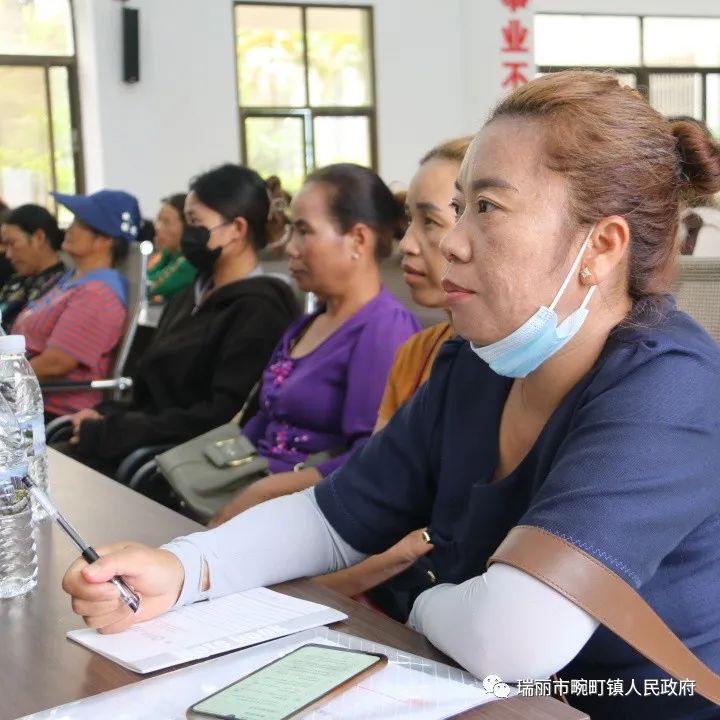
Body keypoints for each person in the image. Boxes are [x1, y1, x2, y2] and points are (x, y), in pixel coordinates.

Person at [62, 72, 720, 719]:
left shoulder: (671, 389)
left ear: (600, 247)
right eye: (457, 210)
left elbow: (512, 638)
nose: (451, 243)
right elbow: (330, 518)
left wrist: (426, 603)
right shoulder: (476, 363)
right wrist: (183, 571)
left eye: (486, 208)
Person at [206, 163, 420, 526]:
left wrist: (264, 492)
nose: (290, 247)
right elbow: (261, 419)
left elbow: (369, 456)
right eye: (291, 229)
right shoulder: (308, 324)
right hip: (257, 496)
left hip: (312, 516)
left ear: (358, 240)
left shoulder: (383, 330)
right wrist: (213, 476)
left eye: (304, 231)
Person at [54, 164, 300, 479]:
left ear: (237, 229)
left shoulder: (259, 311)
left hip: (176, 462)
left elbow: (220, 418)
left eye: (195, 223)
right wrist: (104, 414)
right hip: (143, 440)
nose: (186, 234)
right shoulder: (189, 296)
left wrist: (116, 430)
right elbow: (151, 391)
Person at [316, 136, 472, 599]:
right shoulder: (418, 352)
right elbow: (373, 501)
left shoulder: (524, 367)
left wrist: (309, 591)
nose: (405, 245)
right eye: (409, 223)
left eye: (431, 222)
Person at [12, 190, 135, 419]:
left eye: (80, 223)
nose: (68, 228)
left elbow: (57, 363)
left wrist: (6, 378)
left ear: (106, 239)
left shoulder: (99, 294)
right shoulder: (70, 279)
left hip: (46, 409)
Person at [0, 204, 66, 330]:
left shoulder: (61, 287)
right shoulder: (15, 282)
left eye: (12, 244)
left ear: (39, 238)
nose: (8, 254)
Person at [147, 193, 195, 300]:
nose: (157, 227)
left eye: (166, 222)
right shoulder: (169, 253)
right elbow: (145, 277)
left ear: (187, 226)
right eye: (158, 220)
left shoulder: (190, 262)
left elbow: (146, 288)